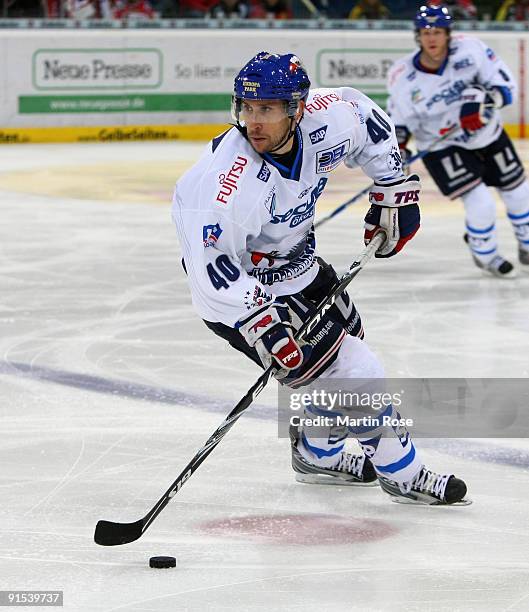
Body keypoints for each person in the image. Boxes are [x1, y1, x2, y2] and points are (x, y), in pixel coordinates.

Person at [172, 51, 468, 505]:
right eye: (246, 108)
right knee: (355, 372)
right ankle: (403, 474)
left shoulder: (329, 119)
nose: (253, 122)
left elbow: (369, 120)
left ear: (297, 108)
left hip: (301, 266)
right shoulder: (222, 186)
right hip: (244, 293)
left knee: (346, 347)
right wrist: (263, 322)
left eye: (266, 109)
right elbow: (209, 272)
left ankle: (317, 452)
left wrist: (393, 191)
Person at [387, 4, 529, 278]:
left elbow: (505, 88)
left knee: (520, 195)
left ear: (448, 34)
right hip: (441, 145)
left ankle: (526, 243)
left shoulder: (471, 51)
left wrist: (483, 102)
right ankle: (484, 253)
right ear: (418, 35)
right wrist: (399, 152)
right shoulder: (403, 76)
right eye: (426, 31)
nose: (432, 38)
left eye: (438, 31)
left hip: (487, 135)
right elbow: (400, 125)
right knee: (481, 204)